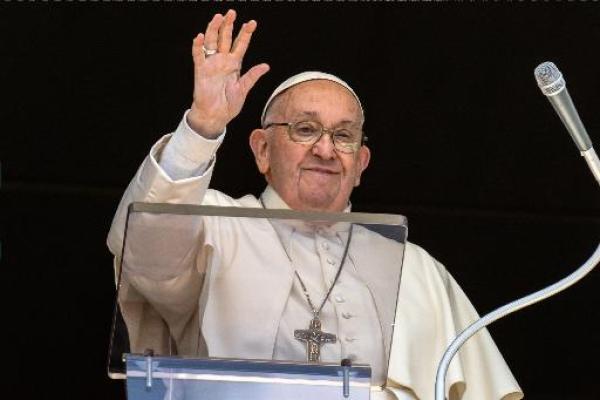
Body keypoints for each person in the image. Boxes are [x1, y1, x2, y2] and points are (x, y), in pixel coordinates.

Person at [108, 10, 523, 400]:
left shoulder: (415, 268)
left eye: (344, 136)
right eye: (305, 129)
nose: (326, 149)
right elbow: (144, 251)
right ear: (262, 150)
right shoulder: (214, 228)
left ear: (360, 164)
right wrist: (202, 127)